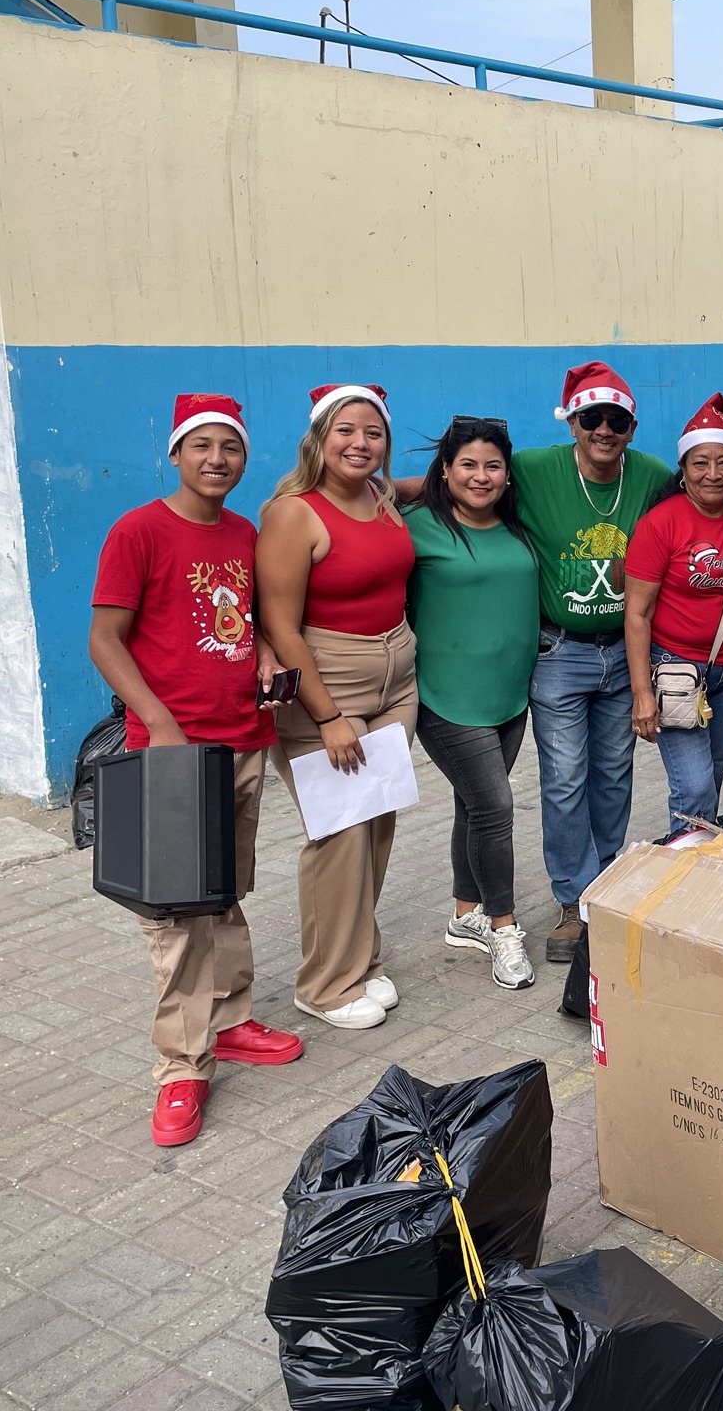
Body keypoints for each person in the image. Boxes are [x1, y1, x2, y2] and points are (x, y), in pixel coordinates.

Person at [88, 393, 304, 1148]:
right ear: (175, 453)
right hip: (173, 754)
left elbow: (247, 626)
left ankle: (231, 1018)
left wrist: (268, 658)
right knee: (178, 914)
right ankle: (182, 1066)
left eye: (231, 447)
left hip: (244, 739)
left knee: (225, 891)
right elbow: (105, 640)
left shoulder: (244, 534)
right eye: (202, 446)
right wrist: (160, 724)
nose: (217, 459)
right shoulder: (139, 531)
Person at [256, 384, 418, 1031]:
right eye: (345, 430)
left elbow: (426, 485)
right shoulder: (293, 514)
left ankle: (359, 958)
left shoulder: (381, 495)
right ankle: (323, 985)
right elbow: (281, 626)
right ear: (318, 438)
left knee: (374, 826)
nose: (360, 443)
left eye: (373, 433)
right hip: (328, 689)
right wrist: (327, 716)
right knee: (339, 835)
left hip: (396, 685)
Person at [515, 364, 672, 961]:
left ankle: (601, 888)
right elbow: (458, 477)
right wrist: (373, 490)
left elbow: (711, 495)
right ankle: (571, 898)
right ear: (572, 423)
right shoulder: (533, 468)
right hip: (560, 653)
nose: (604, 430)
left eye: (617, 421)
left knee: (613, 776)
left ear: (632, 428)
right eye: (592, 419)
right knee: (564, 779)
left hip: (626, 653)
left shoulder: (651, 475)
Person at [403, 415, 538, 992]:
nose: (480, 476)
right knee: (495, 808)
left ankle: (465, 914)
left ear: (508, 475)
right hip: (444, 698)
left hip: (508, 695)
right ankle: (503, 927)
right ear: (444, 470)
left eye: (492, 466)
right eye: (467, 465)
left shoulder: (520, 522)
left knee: (473, 805)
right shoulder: (414, 526)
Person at [624, 394, 723, 832]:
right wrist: (642, 693)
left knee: (712, 780)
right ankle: (683, 863)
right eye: (700, 463)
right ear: (682, 470)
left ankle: (697, 860)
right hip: (676, 670)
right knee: (695, 787)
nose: (713, 474)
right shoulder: (660, 523)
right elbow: (637, 615)